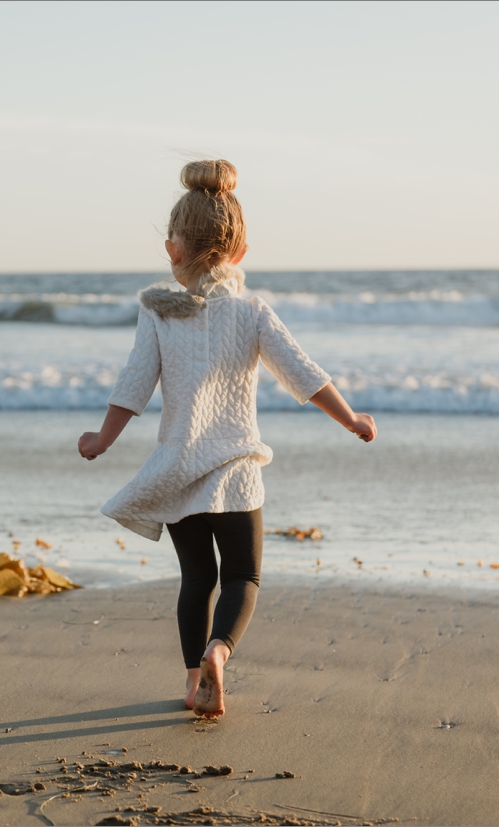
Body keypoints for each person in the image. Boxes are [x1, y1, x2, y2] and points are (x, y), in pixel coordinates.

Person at [78, 159, 377, 718]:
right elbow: (303, 373)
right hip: (236, 471)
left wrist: (102, 438)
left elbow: (133, 384)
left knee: (198, 577)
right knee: (242, 576)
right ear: (240, 251)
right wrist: (351, 417)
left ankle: (194, 681)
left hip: (177, 468)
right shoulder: (252, 311)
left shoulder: (158, 313)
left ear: (174, 249)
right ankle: (221, 649)